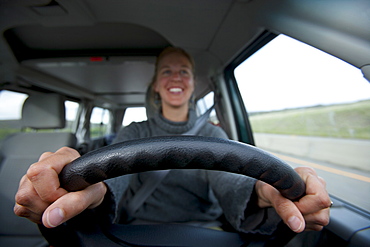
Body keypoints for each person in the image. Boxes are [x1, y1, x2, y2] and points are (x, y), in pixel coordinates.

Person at [14, 47, 331, 237]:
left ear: (193, 85)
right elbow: (113, 184)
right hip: (137, 230)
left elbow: (230, 182)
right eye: (167, 71)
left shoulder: (212, 134)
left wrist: (265, 188)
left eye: (184, 72)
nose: (176, 77)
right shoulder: (135, 132)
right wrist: (91, 190)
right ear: (156, 86)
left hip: (204, 233)